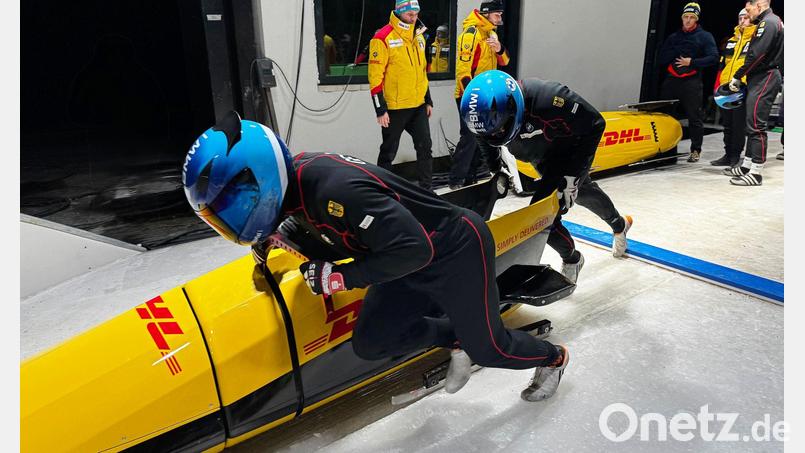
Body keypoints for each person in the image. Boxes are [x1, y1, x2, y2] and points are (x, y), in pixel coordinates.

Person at [182, 111, 570, 402]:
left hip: (453, 249)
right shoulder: (292, 190)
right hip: (396, 255)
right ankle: (458, 340)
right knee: (372, 341)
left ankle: (553, 358)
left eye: (236, 202)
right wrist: (278, 237)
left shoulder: (336, 189)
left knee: (492, 347)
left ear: (262, 175)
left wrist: (340, 278)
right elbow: (335, 234)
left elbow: (417, 249)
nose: (234, 216)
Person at [461, 71, 634, 278]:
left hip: (568, 153)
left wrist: (573, 175)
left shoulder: (549, 98)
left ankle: (572, 259)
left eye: (499, 129)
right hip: (539, 157)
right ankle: (619, 225)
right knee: (583, 192)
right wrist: (496, 168)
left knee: (542, 217)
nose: (496, 135)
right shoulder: (479, 116)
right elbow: (485, 138)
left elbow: (596, 123)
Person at [368, 0, 434, 190]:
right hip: (395, 108)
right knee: (389, 151)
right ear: (398, 12)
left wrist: (427, 100)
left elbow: (422, 71)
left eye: (416, 14)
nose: (414, 18)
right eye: (409, 15)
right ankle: (381, 189)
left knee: (425, 147)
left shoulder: (420, 36)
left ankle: (426, 190)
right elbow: (375, 78)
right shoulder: (382, 37)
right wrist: (380, 109)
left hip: (418, 105)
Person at [448, 1, 510, 190]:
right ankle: (456, 180)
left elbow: (505, 61)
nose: (500, 18)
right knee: (468, 136)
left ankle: (471, 177)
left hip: (487, 95)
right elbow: (462, 72)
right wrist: (473, 97)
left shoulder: (491, 33)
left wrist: (499, 49)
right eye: (497, 15)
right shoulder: (471, 34)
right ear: (486, 14)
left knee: (481, 135)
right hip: (469, 94)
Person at [724, 0, 783, 186]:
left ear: (759, 4)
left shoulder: (769, 23)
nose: (747, 13)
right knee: (751, 124)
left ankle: (756, 172)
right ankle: (747, 164)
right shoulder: (769, 22)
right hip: (760, 77)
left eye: (748, 9)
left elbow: (757, 54)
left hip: (765, 76)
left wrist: (738, 75)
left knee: (757, 125)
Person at [657, 2, 718, 163]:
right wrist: (675, 52)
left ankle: (695, 150)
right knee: (666, 116)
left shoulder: (704, 36)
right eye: (686, 17)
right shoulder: (674, 37)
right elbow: (661, 58)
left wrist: (692, 62)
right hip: (672, 79)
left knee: (694, 116)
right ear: (682, 18)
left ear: (696, 20)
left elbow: (713, 57)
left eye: (692, 17)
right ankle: (667, 150)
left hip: (691, 80)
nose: (688, 20)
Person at [710, 9, 755, 167]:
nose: (742, 20)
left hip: (742, 89)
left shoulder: (755, 40)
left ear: (752, 19)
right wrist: (718, 87)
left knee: (738, 125)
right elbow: (722, 65)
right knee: (727, 124)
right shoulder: (731, 40)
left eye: (746, 17)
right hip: (726, 88)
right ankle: (728, 154)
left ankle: (735, 156)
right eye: (740, 17)